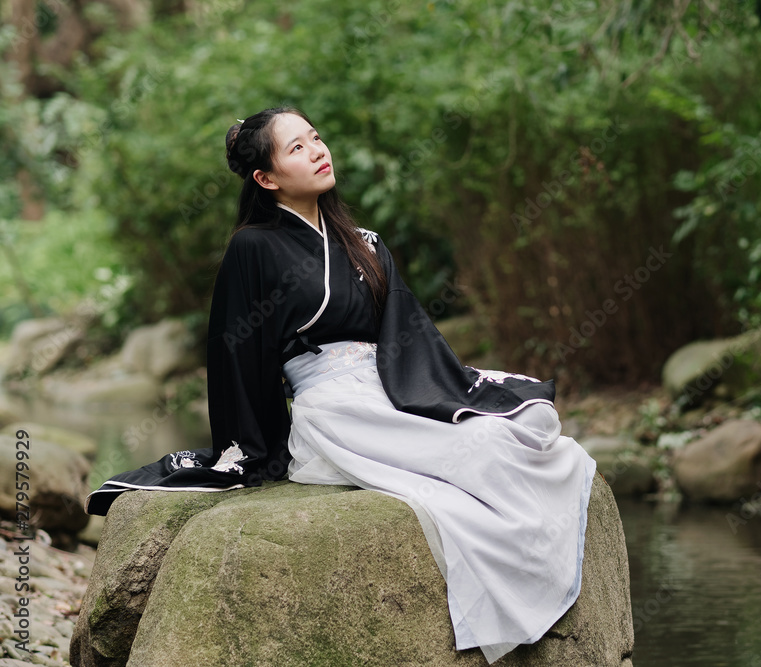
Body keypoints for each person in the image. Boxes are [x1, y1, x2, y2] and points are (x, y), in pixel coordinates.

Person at [85, 107, 598, 663]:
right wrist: (254, 447)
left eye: (317, 138)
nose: (318, 150)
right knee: (480, 457)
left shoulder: (366, 242)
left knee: (523, 429)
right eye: (297, 148)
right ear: (267, 178)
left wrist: (450, 393)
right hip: (332, 400)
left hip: (390, 380)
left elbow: (412, 333)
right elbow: (237, 353)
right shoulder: (252, 247)